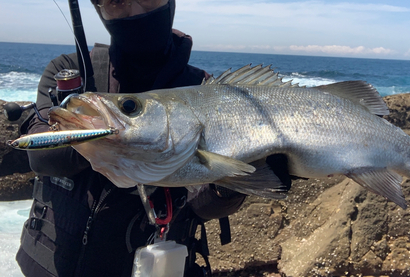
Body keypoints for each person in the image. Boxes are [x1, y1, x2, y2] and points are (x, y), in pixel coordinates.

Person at [15, 0, 293, 276]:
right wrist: (114, 137)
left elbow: (202, 205)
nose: (135, 12)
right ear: (99, 8)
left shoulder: (206, 91)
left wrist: (234, 184)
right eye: (116, 1)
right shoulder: (67, 69)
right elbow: (42, 155)